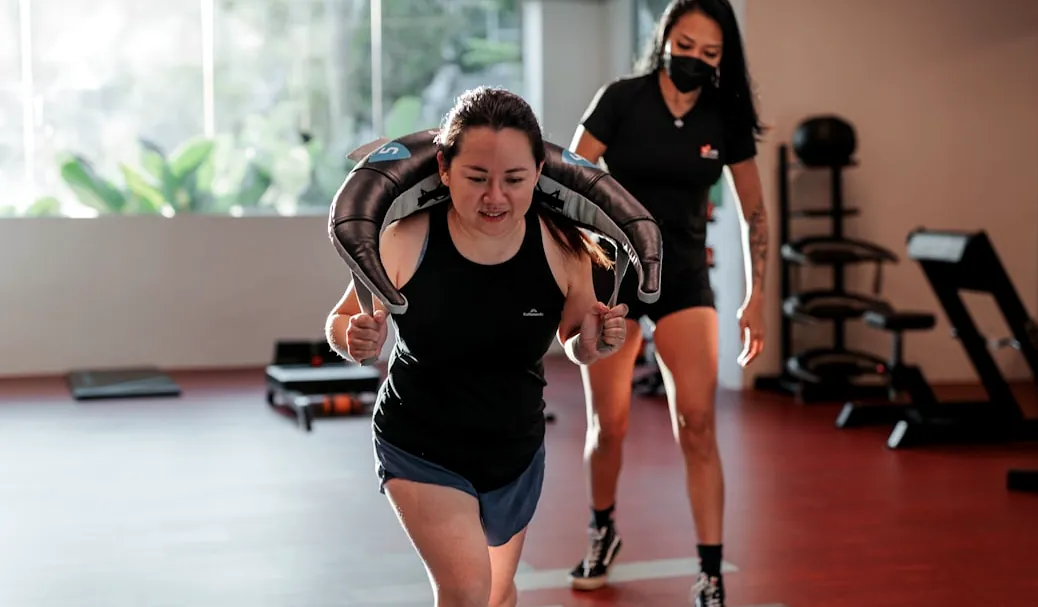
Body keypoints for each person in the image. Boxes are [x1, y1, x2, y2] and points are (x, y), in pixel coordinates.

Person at [324, 86, 631, 607]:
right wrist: (355, 340)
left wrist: (595, 341)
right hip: (421, 444)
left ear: (538, 172)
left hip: (514, 450)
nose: (495, 197)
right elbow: (344, 320)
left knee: (498, 594)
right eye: (476, 178)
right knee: (467, 591)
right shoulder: (405, 238)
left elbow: (575, 343)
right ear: (444, 168)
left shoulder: (563, 248)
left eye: (513, 179)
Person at [564, 1, 770, 605]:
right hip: (613, 279)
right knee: (611, 424)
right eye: (686, 46)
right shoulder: (621, 99)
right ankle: (602, 531)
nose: (695, 61)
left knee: (699, 424)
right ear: (665, 40)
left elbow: (754, 209)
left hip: (682, 277)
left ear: (723, 58)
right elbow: (569, 183)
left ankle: (710, 571)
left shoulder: (722, 116)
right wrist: (578, 280)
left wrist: (757, 295)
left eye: (711, 54)